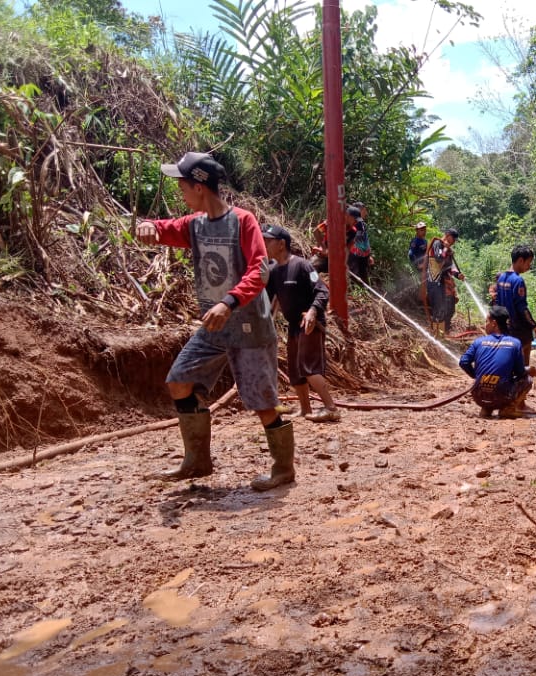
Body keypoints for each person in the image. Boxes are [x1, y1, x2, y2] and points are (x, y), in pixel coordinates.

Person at [135, 151, 293, 491]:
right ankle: (197, 462)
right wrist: (149, 225)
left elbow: (260, 271)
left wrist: (228, 302)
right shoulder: (195, 225)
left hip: (249, 325)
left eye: (182, 187)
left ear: (199, 187)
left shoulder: (243, 221)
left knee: (263, 402)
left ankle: (283, 468)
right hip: (214, 326)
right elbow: (164, 228)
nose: (181, 193)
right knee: (179, 381)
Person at [262, 224, 341, 423]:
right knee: (295, 369)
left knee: (309, 367)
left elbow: (322, 291)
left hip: (310, 323)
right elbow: (267, 299)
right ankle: (305, 408)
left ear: (281, 244)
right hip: (293, 324)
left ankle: (331, 408)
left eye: (268, 241)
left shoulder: (303, 266)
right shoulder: (273, 270)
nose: (264, 245)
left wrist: (313, 312)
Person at [460, 305, 536, 418]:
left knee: (489, 387)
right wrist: (529, 370)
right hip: (502, 396)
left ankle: (486, 409)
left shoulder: (478, 342)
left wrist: (478, 377)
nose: (485, 325)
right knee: (527, 379)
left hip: (479, 396)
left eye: (486, 321)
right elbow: (520, 373)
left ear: (494, 323)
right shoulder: (515, 343)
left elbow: (463, 362)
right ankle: (508, 409)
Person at [422, 228, 463, 337]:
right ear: (448, 235)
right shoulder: (437, 243)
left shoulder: (447, 249)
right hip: (433, 282)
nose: (454, 242)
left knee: (445, 309)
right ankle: (436, 336)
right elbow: (439, 258)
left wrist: (458, 275)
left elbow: (449, 267)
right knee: (438, 309)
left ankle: (441, 334)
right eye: (453, 239)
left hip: (442, 283)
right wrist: (445, 248)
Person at [347, 202, 373, 284]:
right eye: (364, 210)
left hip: (363, 256)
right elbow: (350, 240)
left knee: (364, 277)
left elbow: (365, 240)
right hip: (354, 255)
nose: (366, 213)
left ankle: (365, 290)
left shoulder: (362, 224)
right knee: (354, 277)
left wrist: (368, 255)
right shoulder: (352, 224)